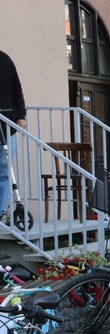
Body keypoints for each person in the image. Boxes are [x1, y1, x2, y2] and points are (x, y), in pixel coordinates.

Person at [0, 50, 26, 219]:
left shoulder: (4, 60)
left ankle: (1, 211)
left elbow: (17, 89)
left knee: (4, 169)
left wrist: (20, 116)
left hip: (7, 124)